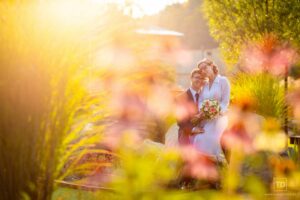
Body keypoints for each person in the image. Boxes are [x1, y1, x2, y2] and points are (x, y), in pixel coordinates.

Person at [193, 58, 230, 160]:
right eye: (201, 70)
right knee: (197, 137)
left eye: (205, 67)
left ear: (212, 66)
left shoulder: (223, 81)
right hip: (205, 118)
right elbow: (201, 101)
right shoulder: (204, 85)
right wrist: (204, 111)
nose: (203, 71)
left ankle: (216, 162)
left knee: (207, 138)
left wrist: (216, 111)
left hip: (219, 117)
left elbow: (225, 102)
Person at [176, 69, 206, 145]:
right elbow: (180, 121)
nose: (199, 80)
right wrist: (193, 129)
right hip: (186, 132)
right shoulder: (181, 97)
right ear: (191, 78)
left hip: (204, 132)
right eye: (197, 77)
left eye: (202, 78)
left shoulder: (206, 98)